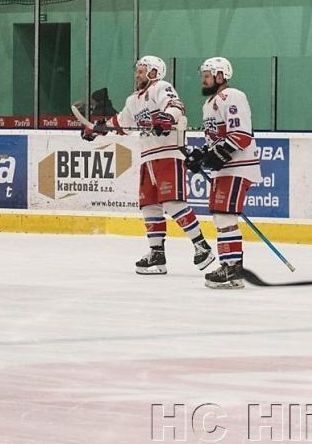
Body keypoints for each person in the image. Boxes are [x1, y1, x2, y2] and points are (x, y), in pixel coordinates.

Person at [83, 55, 214, 274]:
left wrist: (166, 118)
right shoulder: (133, 100)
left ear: (154, 72)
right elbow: (121, 124)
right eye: (138, 70)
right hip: (148, 157)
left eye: (142, 70)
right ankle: (157, 255)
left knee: (173, 203)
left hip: (169, 154)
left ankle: (202, 247)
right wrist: (97, 129)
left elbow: (176, 106)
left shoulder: (161, 87)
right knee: (149, 206)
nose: (138, 74)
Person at [184, 58, 262, 289]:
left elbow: (241, 134)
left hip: (239, 167)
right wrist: (202, 155)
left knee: (226, 216)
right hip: (226, 170)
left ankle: (233, 270)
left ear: (221, 76)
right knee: (220, 216)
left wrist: (216, 155)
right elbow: (215, 140)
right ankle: (229, 266)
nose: (203, 78)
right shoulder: (209, 104)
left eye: (208, 74)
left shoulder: (232, 96)